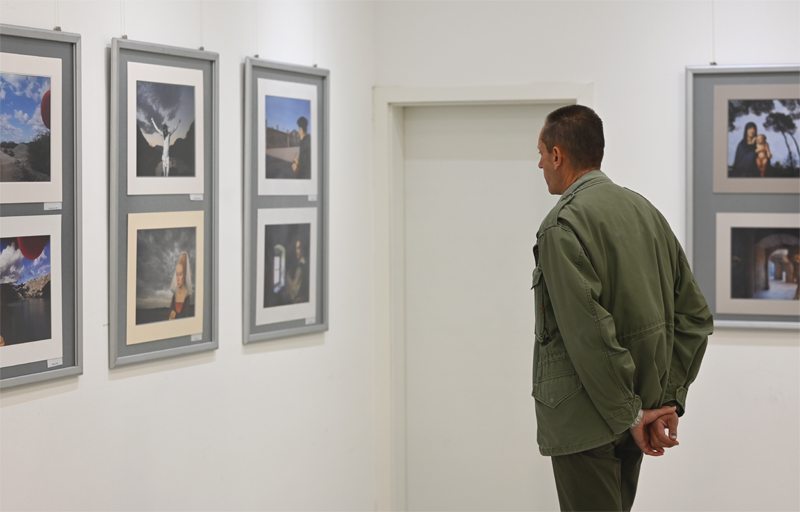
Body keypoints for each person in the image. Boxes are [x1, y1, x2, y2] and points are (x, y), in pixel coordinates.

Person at [532, 105, 713, 511]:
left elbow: (588, 334)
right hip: (637, 411)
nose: (539, 164)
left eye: (541, 154)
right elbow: (695, 317)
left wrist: (631, 414)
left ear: (557, 155)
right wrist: (665, 401)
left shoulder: (562, 225)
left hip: (589, 419)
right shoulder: (647, 213)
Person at [168, 252, 194, 320]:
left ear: (184, 275)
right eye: (177, 275)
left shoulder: (186, 296)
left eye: (180, 274)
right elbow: (170, 315)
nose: (177, 279)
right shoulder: (174, 295)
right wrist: (171, 316)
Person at [284, 239, 308, 303]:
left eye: (299, 248)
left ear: (303, 249)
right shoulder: (297, 264)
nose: (297, 251)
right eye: (296, 248)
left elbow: (298, 289)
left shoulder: (305, 266)